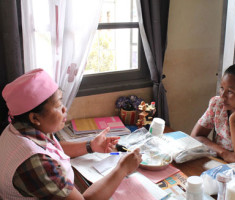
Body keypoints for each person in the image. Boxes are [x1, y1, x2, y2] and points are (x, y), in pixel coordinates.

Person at [0, 68, 142, 199]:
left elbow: (51, 150)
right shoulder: (34, 163)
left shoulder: (19, 128)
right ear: (35, 118)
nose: (64, 109)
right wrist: (122, 169)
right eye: (58, 105)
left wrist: (91, 146)